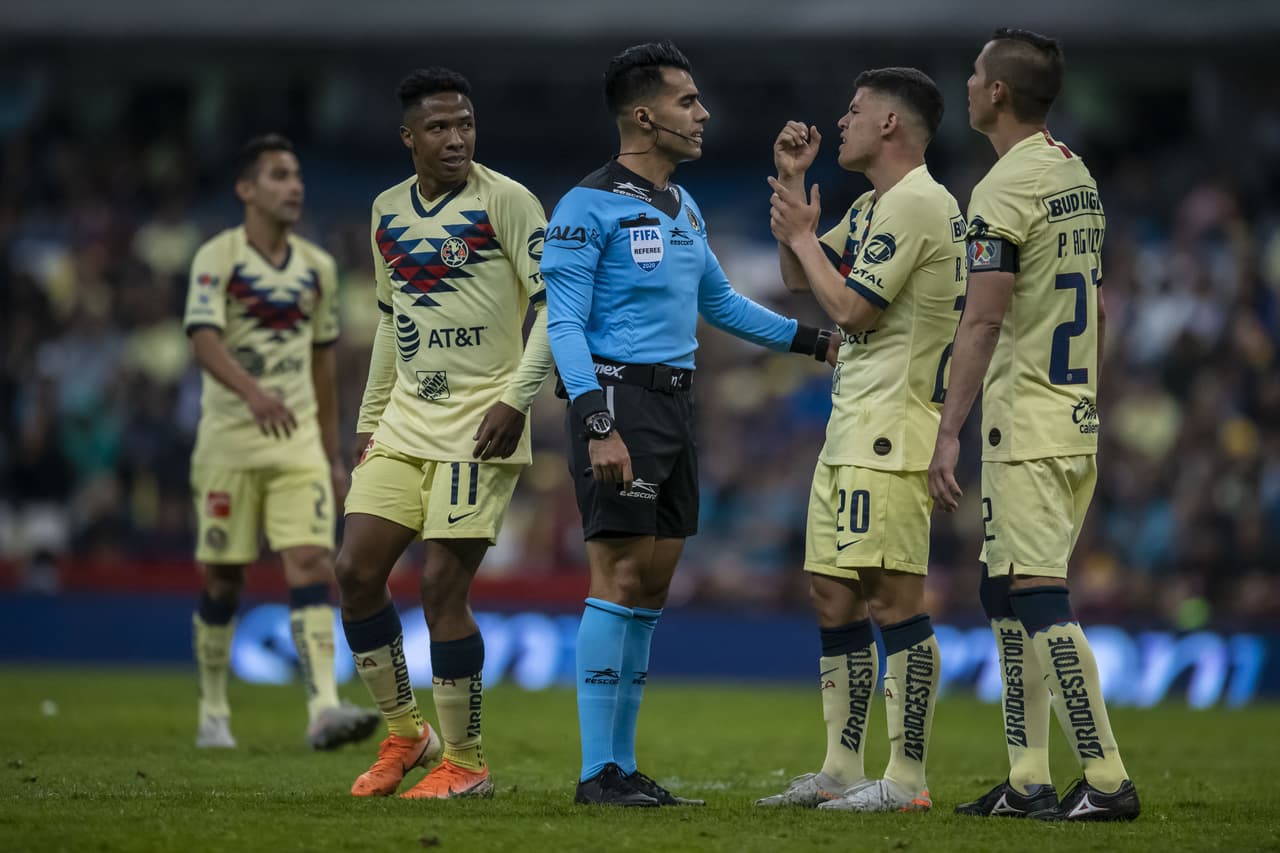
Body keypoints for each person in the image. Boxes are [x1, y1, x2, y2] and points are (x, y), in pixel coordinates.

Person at [540, 41, 835, 808]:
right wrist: (596, 419)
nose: (703, 114)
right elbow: (563, 323)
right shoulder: (585, 206)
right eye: (688, 101)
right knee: (618, 575)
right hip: (618, 400)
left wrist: (813, 341)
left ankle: (622, 765)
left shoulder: (684, 206)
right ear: (644, 115)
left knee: (651, 588)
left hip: (676, 404)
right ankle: (597, 771)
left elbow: (721, 304)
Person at [927, 28, 1140, 821]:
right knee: (1002, 588)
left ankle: (1108, 780)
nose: (968, 82)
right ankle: (1027, 780)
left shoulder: (1002, 189)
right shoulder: (1074, 174)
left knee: (1038, 593)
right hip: (1072, 417)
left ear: (998, 94)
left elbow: (983, 320)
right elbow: (1101, 307)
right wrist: (1084, 394)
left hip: (1025, 426)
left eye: (975, 72)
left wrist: (948, 429)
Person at [334, 67, 553, 800]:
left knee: (440, 587)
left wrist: (517, 400)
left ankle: (466, 762)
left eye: (465, 124)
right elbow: (390, 322)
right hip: (404, 421)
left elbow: (557, 307)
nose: (456, 138)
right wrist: (369, 421)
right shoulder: (386, 211)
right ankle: (407, 733)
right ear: (409, 137)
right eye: (439, 127)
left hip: (481, 425)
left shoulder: (508, 201)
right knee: (355, 571)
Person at [755, 68, 965, 813]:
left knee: (892, 600)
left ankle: (906, 779)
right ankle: (841, 769)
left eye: (853, 110)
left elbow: (850, 309)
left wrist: (804, 238)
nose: (840, 122)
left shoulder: (919, 204)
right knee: (832, 594)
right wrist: (791, 186)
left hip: (893, 432)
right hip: (851, 427)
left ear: (890, 124)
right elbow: (799, 275)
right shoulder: (877, 204)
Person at [184, 134, 379, 751]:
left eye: (296, 174)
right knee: (223, 578)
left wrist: (331, 452)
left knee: (312, 564)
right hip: (228, 444)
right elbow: (203, 340)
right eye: (277, 175)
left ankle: (323, 708)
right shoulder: (218, 257)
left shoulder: (317, 268)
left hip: (296, 444)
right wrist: (253, 394)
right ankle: (213, 709)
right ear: (246, 189)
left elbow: (323, 366)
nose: (294, 186)